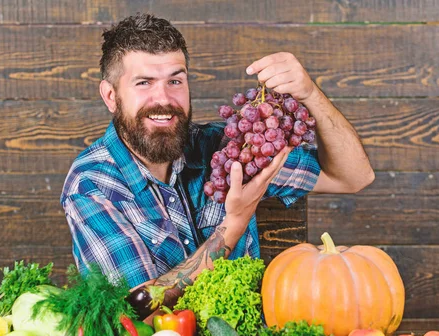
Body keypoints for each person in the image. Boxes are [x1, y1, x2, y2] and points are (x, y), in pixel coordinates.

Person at [61, 13, 374, 308]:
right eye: (144, 83)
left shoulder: (229, 149)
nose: (164, 99)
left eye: (175, 81)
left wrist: (310, 94)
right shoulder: (92, 183)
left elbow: (353, 177)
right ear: (111, 96)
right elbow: (137, 312)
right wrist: (234, 223)